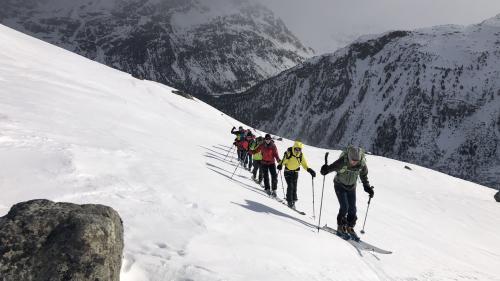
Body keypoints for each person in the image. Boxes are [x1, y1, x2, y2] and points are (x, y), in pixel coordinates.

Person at [320, 145, 374, 239]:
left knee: (353, 209)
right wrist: (324, 170)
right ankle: (341, 226)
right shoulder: (342, 162)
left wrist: (367, 187)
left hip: (352, 187)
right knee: (344, 207)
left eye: (356, 160)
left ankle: (349, 227)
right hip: (339, 185)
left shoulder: (361, 164)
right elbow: (330, 168)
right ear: (349, 157)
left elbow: (364, 176)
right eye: (352, 160)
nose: (354, 162)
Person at [277, 141, 316, 208]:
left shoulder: (301, 155)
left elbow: (304, 164)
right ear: (294, 147)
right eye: (296, 149)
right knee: (290, 186)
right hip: (287, 172)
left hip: (295, 173)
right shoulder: (289, 153)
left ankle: (293, 201)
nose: (298, 150)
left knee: (294, 187)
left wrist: (309, 170)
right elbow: (284, 161)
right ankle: (289, 201)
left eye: (299, 149)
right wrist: (280, 165)